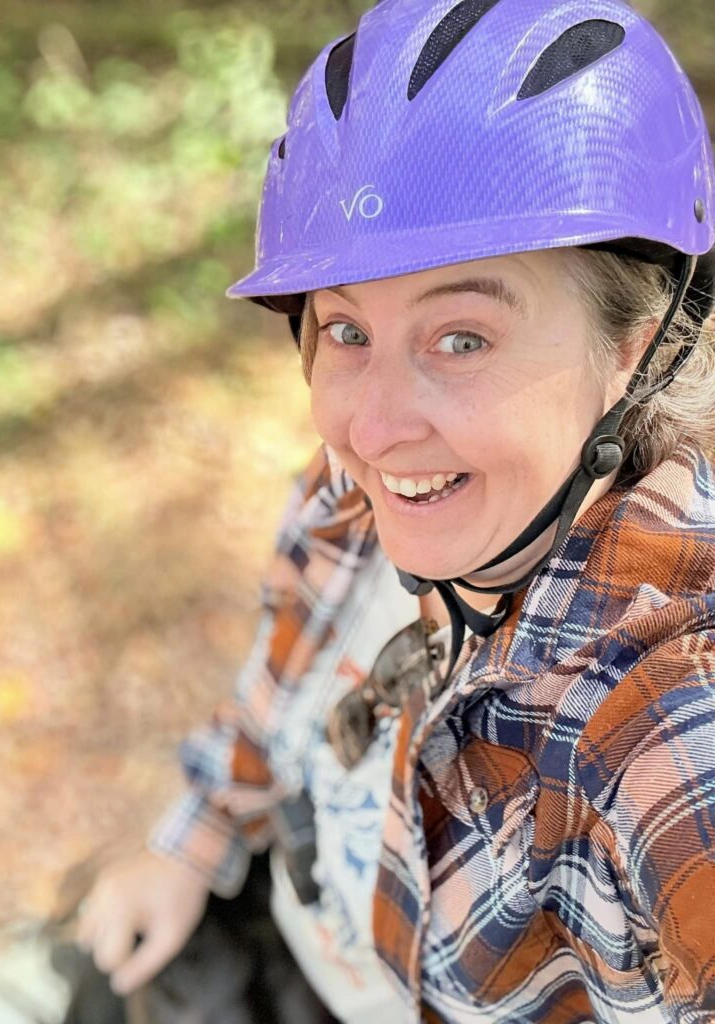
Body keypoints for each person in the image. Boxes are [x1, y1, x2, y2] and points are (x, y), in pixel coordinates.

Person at [77, 0, 715, 1020]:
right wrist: (190, 842)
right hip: (284, 946)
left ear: (635, 346)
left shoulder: (664, 712)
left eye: (461, 337)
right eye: (344, 330)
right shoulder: (356, 502)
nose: (370, 428)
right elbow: (274, 692)